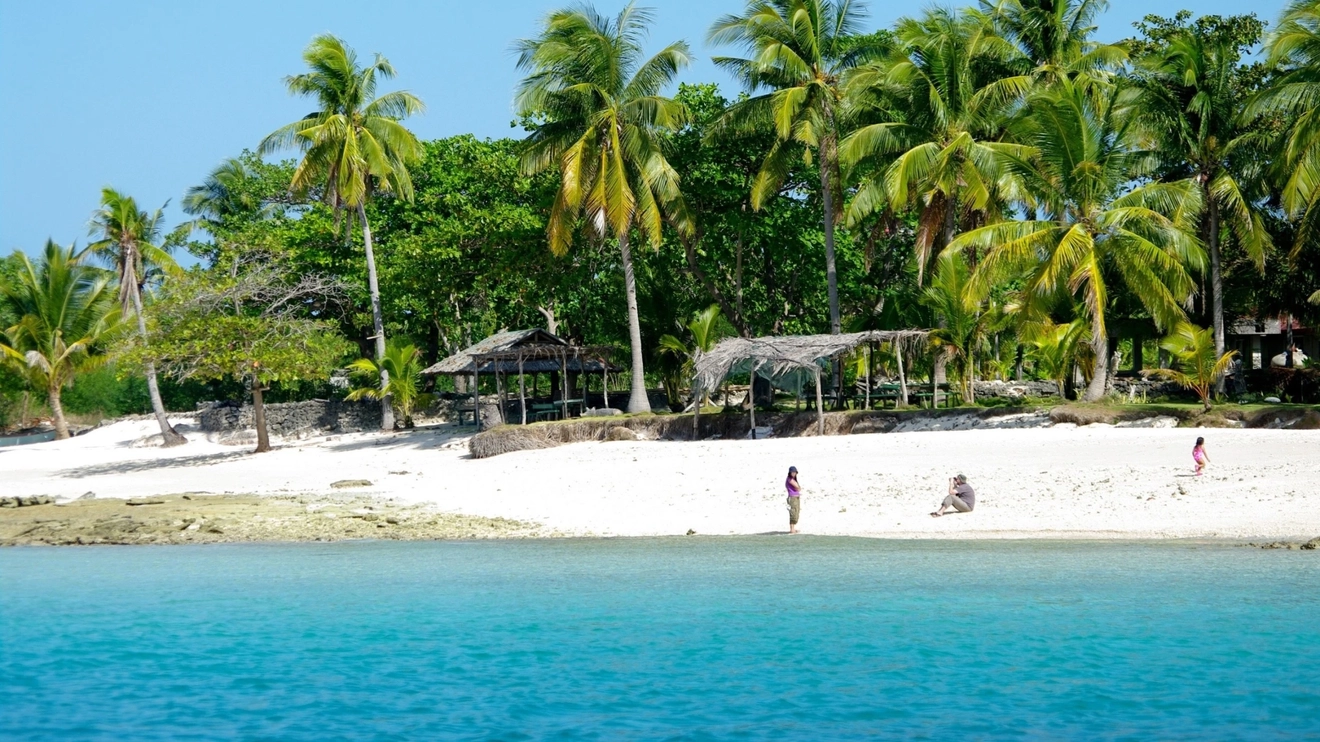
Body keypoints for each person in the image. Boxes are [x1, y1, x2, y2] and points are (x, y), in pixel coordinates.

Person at [785, 466, 801, 534]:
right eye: (793, 472)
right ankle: (792, 529)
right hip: (792, 497)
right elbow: (797, 487)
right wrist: (798, 488)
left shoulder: (793, 479)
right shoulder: (790, 479)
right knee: (793, 512)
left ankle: (793, 528)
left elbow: (798, 487)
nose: (794, 474)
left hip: (796, 497)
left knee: (796, 512)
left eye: (795, 472)